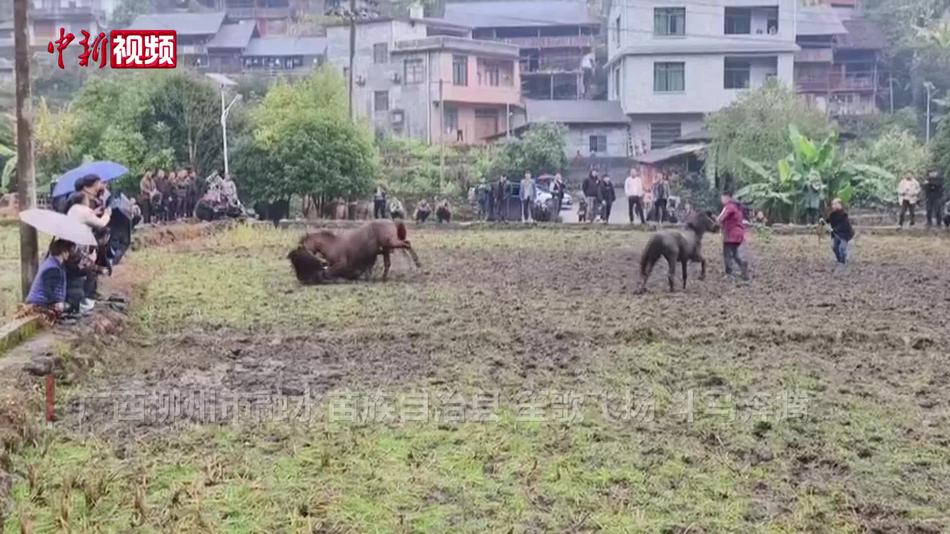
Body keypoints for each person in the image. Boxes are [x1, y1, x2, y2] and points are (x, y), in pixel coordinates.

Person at [24, 239, 74, 315]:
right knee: (68, 307)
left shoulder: (55, 264)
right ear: (62, 252)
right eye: (67, 251)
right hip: (39, 302)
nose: (69, 254)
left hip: (43, 301)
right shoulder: (52, 267)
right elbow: (48, 290)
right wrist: (57, 302)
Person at [717, 190, 750, 281]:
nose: (721, 200)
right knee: (734, 254)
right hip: (738, 234)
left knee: (727, 254)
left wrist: (716, 221)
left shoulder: (729, 206)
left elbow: (721, 218)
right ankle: (743, 267)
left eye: (722, 198)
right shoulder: (737, 206)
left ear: (727, 197)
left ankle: (729, 273)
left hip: (731, 234)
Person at [823, 197, 854, 270]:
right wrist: (823, 222)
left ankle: (843, 262)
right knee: (835, 247)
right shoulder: (832, 215)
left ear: (839, 205)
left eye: (834, 204)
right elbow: (828, 221)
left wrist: (834, 229)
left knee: (842, 248)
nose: (833, 206)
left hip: (845, 235)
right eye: (832, 204)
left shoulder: (844, 215)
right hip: (836, 234)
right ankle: (839, 260)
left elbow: (843, 225)